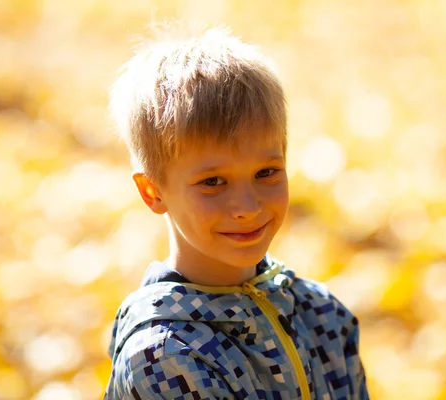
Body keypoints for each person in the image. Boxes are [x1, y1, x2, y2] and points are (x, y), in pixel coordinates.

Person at [104, 25, 369, 399]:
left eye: (266, 173)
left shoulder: (322, 315)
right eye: (213, 182)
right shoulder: (165, 358)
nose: (248, 207)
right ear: (153, 191)